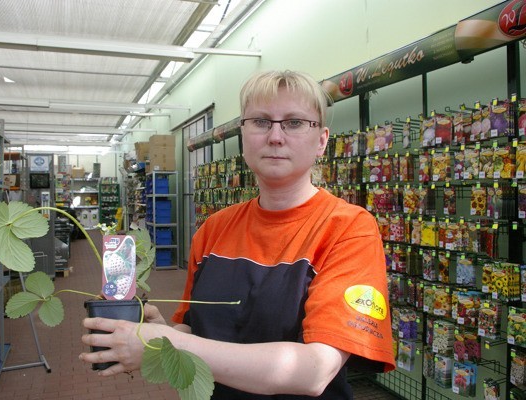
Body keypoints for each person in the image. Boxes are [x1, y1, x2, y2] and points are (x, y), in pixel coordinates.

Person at [80, 70, 395, 399]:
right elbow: (193, 332)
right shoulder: (214, 229)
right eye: (260, 121)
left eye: (295, 122)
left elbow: (314, 371)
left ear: (322, 140)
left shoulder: (347, 228)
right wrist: (155, 337)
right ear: (243, 134)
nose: (275, 136)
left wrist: (176, 342)